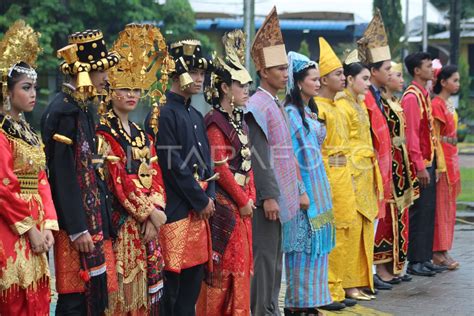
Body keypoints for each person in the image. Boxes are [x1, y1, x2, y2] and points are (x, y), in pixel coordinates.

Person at [41, 29, 120, 314]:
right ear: (85, 72)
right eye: (102, 72)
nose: (107, 78)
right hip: (76, 226)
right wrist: (77, 228)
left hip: (92, 220)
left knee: (93, 297)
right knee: (74, 299)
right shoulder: (63, 111)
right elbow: (62, 174)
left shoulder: (82, 108)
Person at [96, 24, 171, 315]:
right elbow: (118, 181)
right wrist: (149, 212)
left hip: (147, 224)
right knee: (123, 291)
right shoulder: (104, 134)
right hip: (123, 223)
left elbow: (156, 174)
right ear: (111, 91)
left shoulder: (142, 134)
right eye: (125, 88)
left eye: (136, 89)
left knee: (144, 294)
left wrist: (156, 210)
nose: (132, 95)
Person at [145, 39, 215, 316]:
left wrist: (209, 196)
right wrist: (200, 200)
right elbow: (173, 165)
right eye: (193, 72)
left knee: (192, 287)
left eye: (201, 73)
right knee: (170, 290)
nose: (199, 79)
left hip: (199, 213)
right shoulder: (162, 112)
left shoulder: (195, 113)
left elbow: (207, 164)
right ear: (176, 75)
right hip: (175, 211)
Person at [0, 20, 58, 315]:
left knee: (38, 298)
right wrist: (29, 230)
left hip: (35, 222)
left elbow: (42, 181)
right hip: (11, 227)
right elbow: (3, 185)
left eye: (34, 87)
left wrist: (47, 225)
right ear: (8, 92)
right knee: (15, 299)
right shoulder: (1, 132)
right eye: (26, 88)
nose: (33, 93)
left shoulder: (30, 133)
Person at [196, 29, 256, 315]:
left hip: (242, 203)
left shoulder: (239, 122)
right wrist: (242, 201)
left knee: (242, 266)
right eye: (241, 84)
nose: (246, 89)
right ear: (224, 88)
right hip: (225, 206)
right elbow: (220, 169)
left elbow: (248, 163)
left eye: (247, 84)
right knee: (225, 271)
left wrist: (250, 194)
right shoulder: (215, 123)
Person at [246, 7, 300, 315]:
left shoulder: (274, 103)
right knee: (264, 258)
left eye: (286, 68)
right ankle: (261, 311)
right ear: (263, 71)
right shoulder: (256, 106)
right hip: (268, 197)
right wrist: (267, 196)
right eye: (279, 68)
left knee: (275, 256)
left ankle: (270, 308)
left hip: (279, 194)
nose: (285, 73)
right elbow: (258, 154)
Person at [283, 51, 335, 314]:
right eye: (313, 79)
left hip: (318, 186)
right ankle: (297, 304)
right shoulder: (290, 113)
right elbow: (289, 154)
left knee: (316, 250)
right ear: (299, 82)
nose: (318, 83)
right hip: (302, 192)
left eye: (318, 79)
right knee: (302, 248)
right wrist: (301, 191)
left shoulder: (308, 110)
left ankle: (312, 302)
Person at [335, 51, 382, 300]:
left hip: (365, 173)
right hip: (352, 175)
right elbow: (341, 146)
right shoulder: (342, 106)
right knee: (350, 231)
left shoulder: (360, 103)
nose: (367, 83)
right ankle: (348, 284)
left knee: (364, 229)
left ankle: (361, 280)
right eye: (364, 78)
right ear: (350, 79)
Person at [315, 37, 356, 311]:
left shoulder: (339, 106)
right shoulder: (318, 107)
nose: (343, 77)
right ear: (324, 79)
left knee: (346, 230)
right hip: (330, 172)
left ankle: (339, 286)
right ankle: (327, 289)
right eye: (338, 74)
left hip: (346, 173)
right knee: (332, 231)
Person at [356, 10, 394, 290]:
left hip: (378, 166)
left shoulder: (377, 96)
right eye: (387, 68)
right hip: (364, 168)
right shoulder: (364, 99)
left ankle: (369, 272)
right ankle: (367, 272)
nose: (391, 73)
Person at [401, 52, 447, 277]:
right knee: (419, 213)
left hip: (429, 161)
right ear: (417, 71)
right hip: (419, 164)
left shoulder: (423, 94)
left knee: (428, 211)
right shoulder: (411, 97)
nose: (432, 69)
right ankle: (415, 261)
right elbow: (411, 136)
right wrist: (419, 166)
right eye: (428, 66)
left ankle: (424, 257)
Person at [374, 62, 419, 282]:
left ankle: (394, 265)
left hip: (401, 161)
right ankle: (381, 267)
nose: (402, 80)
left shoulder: (395, 101)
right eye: (397, 75)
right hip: (389, 160)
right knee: (386, 217)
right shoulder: (380, 103)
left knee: (400, 215)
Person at [431, 65, 462, 270]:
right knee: (441, 207)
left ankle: (445, 249)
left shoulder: (448, 104)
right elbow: (435, 135)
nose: (458, 84)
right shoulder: (436, 104)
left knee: (449, 206)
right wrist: (439, 162)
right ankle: (437, 251)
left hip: (452, 155)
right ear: (443, 82)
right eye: (455, 80)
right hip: (442, 155)